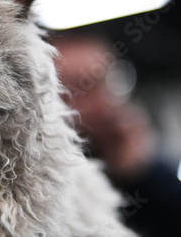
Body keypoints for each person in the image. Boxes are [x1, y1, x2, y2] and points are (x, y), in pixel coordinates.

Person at [52, 33, 181, 237]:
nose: (103, 101)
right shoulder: (47, 186)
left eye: (105, 82)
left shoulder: (132, 154)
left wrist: (142, 172)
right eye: (82, 89)